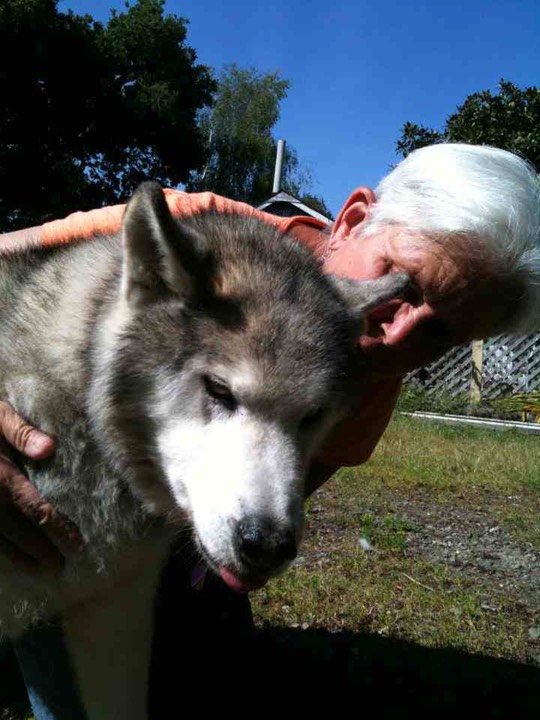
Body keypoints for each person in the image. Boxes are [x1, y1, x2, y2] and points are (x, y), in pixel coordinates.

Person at [0, 143, 539, 718]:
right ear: (352, 220)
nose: (398, 339)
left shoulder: (365, 391)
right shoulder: (190, 231)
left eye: (443, 334)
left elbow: (269, 511)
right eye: (402, 284)